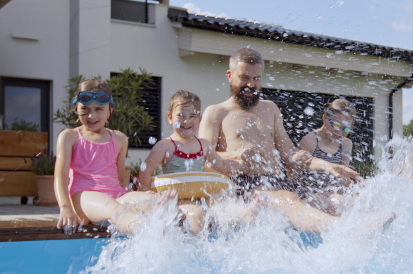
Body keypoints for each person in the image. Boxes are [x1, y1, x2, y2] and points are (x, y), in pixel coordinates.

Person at [199, 48, 364, 233]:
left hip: (278, 181)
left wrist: (327, 166)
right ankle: (348, 231)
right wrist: (236, 154)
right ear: (230, 76)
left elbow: (290, 154)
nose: (251, 84)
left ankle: (360, 236)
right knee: (288, 199)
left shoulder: (270, 109)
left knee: (334, 201)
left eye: (256, 78)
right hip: (244, 185)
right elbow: (201, 156)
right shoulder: (216, 112)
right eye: (244, 77)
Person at [55, 79, 171, 235]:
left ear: (110, 110)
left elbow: (121, 179)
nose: (91, 115)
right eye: (85, 109)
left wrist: (141, 199)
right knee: (117, 210)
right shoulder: (70, 136)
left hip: (117, 196)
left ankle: (162, 244)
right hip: (84, 197)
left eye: (99, 109)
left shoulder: (119, 139)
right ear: (76, 108)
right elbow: (60, 175)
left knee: (159, 201)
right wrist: (65, 207)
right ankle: (150, 234)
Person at [138, 89, 252, 233]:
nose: (186, 121)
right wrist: (149, 198)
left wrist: (243, 165)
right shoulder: (165, 146)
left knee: (230, 210)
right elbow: (145, 171)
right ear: (170, 118)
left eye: (192, 116)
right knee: (196, 214)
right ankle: (192, 249)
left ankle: (250, 212)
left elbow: (221, 165)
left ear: (200, 119)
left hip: (203, 197)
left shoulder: (203, 145)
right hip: (178, 199)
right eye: (181, 116)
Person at [294, 99, 357, 215]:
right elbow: (295, 172)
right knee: (335, 205)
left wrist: (353, 185)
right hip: (309, 193)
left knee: (356, 203)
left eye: (346, 129)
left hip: (334, 192)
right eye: (336, 125)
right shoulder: (311, 140)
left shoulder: (346, 144)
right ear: (325, 119)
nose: (340, 132)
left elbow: (343, 174)